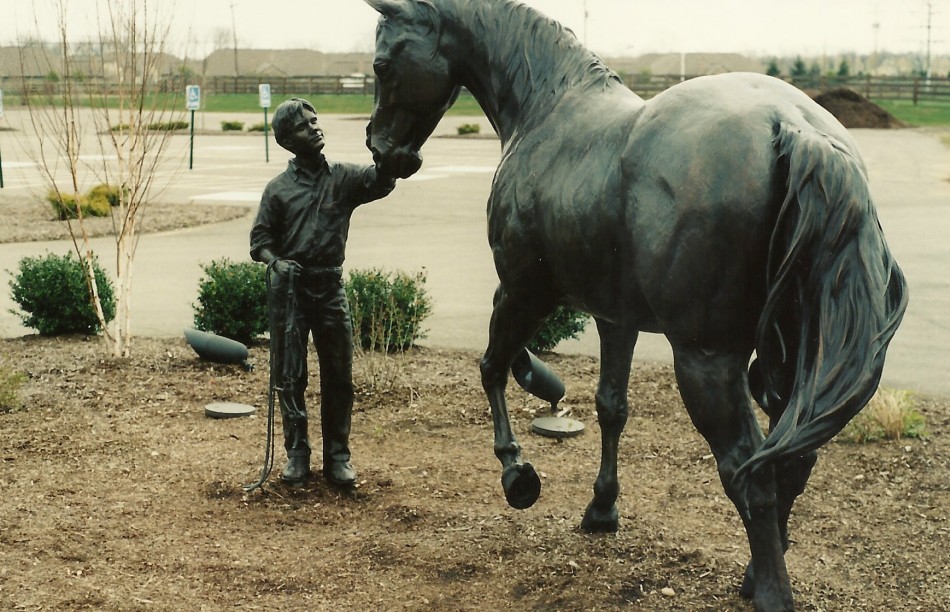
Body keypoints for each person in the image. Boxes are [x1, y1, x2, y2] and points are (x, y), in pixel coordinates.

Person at [249, 98, 395, 486]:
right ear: (285, 140)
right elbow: (259, 242)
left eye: (315, 121)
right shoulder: (277, 190)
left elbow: (380, 181)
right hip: (292, 293)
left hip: (330, 289)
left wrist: (391, 155)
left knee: (339, 376)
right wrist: (275, 262)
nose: (314, 128)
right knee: (290, 375)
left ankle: (338, 457)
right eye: (303, 126)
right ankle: (297, 454)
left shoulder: (343, 177)